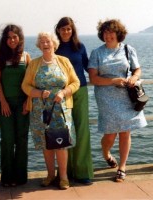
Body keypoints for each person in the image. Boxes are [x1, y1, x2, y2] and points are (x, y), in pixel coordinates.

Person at [88, 19, 147, 182]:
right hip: (106, 97)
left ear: (118, 33)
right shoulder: (97, 53)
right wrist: (113, 81)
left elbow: (137, 69)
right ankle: (106, 153)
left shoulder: (128, 49)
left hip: (126, 97)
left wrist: (134, 77)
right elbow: (93, 78)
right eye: (105, 32)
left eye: (111, 32)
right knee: (110, 135)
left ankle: (122, 166)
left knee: (125, 132)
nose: (108, 35)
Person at [22, 32, 80, 190]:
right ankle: (50, 175)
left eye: (47, 41)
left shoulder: (64, 61)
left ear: (54, 43)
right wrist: (39, 93)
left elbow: (76, 82)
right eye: (42, 41)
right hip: (41, 111)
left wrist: (63, 92)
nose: (45, 44)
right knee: (46, 143)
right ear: (39, 45)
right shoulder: (34, 64)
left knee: (61, 143)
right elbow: (25, 86)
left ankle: (63, 177)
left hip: (61, 110)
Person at [55, 17, 94, 185]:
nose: (66, 32)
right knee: (65, 131)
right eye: (63, 29)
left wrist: (109, 80)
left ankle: (83, 171)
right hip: (62, 93)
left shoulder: (80, 47)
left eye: (69, 29)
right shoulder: (55, 48)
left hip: (80, 91)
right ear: (58, 30)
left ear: (73, 30)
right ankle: (66, 172)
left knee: (82, 130)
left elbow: (88, 67)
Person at [0, 24, 31, 187]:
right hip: (6, 105)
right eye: (8, 37)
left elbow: (31, 82)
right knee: (7, 140)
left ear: (20, 38)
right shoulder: (0, 58)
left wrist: (28, 101)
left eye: (14, 37)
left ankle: (21, 177)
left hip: (23, 105)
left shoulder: (26, 57)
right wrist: (3, 102)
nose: (12, 40)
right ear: (5, 40)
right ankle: (7, 177)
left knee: (22, 140)